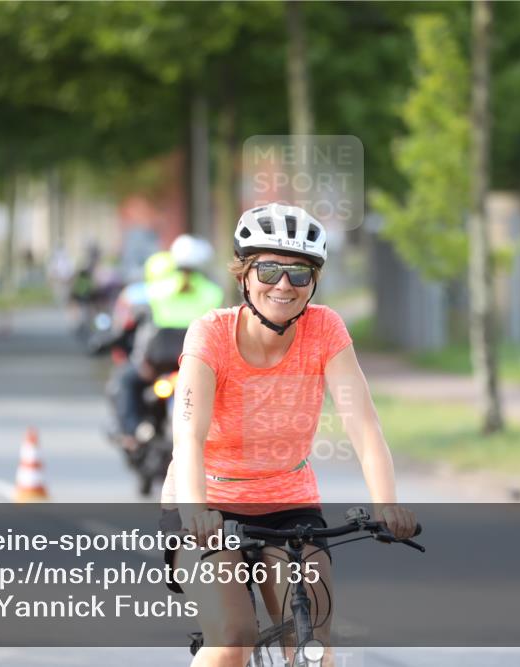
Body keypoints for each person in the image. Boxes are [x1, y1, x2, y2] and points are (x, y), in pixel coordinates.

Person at [159, 203, 417, 667]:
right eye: (269, 270)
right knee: (232, 640)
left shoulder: (324, 329)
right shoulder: (210, 333)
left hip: (289, 503)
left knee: (313, 644)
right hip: (207, 499)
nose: (283, 285)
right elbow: (188, 433)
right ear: (243, 275)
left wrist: (386, 502)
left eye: (299, 275)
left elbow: (362, 423)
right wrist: (196, 512)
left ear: (313, 282)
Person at [114, 235, 223, 453]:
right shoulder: (213, 292)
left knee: (125, 381)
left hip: (157, 364)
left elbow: (128, 300)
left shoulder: (157, 288)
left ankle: (132, 433)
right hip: (197, 364)